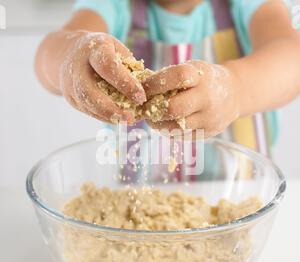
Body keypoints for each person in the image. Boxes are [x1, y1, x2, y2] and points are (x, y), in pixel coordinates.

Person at [35, 0, 299, 157]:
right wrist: (71, 56)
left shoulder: (249, 5)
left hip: (241, 199)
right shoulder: (113, 6)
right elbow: (47, 55)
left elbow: (291, 58)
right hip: (137, 208)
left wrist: (236, 88)